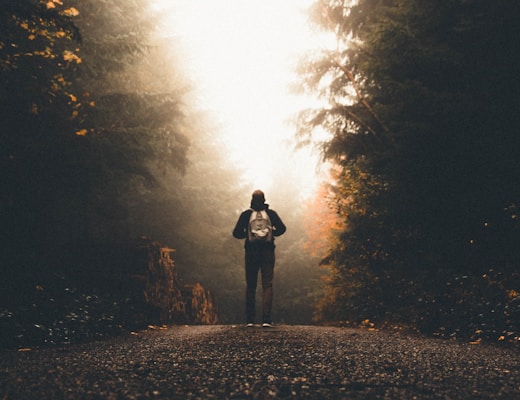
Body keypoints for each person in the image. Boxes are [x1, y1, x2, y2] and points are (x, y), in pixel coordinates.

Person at [232, 190, 286, 327]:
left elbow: (236, 233)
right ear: (264, 200)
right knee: (267, 284)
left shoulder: (246, 215)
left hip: (251, 252)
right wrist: (271, 233)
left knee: (251, 285)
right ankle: (266, 320)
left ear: (251, 199)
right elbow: (282, 229)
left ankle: (250, 320)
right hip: (267, 251)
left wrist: (249, 235)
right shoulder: (271, 214)